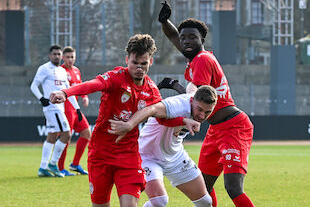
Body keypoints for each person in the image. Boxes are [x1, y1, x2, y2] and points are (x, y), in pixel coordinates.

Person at [49, 34, 199, 207]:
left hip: (128, 156)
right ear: (127, 59)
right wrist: (65, 93)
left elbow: (162, 118)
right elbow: (91, 85)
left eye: (143, 64)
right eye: (135, 63)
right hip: (100, 154)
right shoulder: (116, 77)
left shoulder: (151, 90)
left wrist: (183, 121)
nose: (139, 68)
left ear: (150, 62)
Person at [158, 2, 255, 207]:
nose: (186, 41)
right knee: (205, 187)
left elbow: (198, 100)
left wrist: (174, 85)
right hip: (216, 129)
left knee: (233, 188)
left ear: (202, 39)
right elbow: (174, 36)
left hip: (233, 127)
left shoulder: (202, 60)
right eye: (184, 38)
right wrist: (165, 22)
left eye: (192, 37)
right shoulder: (194, 56)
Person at [108, 85, 217, 207]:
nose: (202, 116)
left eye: (208, 112)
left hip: (176, 157)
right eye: (200, 110)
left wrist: (175, 84)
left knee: (206, 202)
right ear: (192, 101)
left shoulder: (196, 100)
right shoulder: (176, 105)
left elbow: (192, 87)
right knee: (159, 201)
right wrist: (129, 125)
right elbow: (152, 109)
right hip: (148, 156)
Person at [30, 45, 82, 178]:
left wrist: (77, 109)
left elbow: (67, 92)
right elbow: (34, 85)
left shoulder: (62, 71)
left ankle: (42, 168)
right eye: (54, 54)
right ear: (50, 55)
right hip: (52, 108)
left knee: (52, 136)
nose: (57, 56)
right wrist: (42, 98)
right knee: (67, 134)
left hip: (60, 108)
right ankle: (53, 164)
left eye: (59, 54)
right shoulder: (44, 68)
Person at [58, 46, 91, 176]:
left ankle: (75, 164)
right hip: (66, 107)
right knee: (66, 137)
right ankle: (60, 168)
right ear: (63, 58)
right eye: (67, 57)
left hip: (75, 108)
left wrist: (84, 96)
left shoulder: (76, 70)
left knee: (87, 133)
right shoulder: (60, 71)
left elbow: (80, 85)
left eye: (72, 57)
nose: (70, 59)